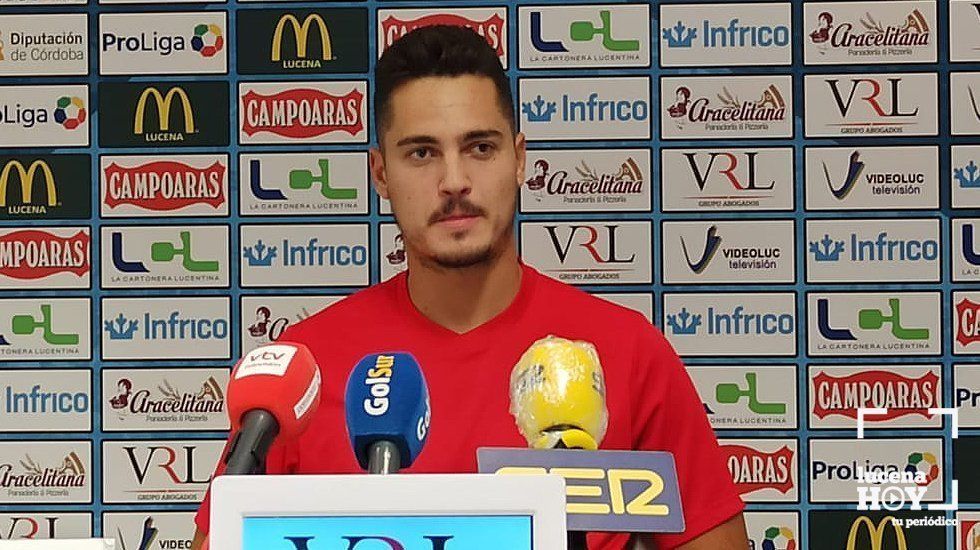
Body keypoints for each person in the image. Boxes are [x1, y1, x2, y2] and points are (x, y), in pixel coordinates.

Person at [191, 25, 747, 550]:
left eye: (480, 147)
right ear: (381, 174)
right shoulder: (301, 374)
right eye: (422, 153)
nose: (454, 181)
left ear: (520, 158)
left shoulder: (625, 352)